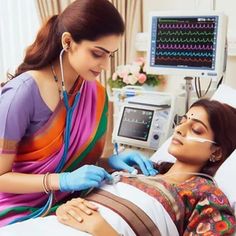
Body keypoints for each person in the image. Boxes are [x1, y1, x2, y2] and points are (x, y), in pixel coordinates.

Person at [0, 0, 157, 227]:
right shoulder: (20, 95)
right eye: (97, 53)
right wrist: (61, 181)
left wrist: (109, 162)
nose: (105, 65)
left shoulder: (96, 93)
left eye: (110, 55)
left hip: (70, 204)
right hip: (18, 212)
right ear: (68, 41)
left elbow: (75, 167)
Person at [56, 99, 236, 235]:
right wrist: (66, 206)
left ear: (217, 152)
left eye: (196, 129)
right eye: (182, 121)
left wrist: (104, 230)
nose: (179, 129)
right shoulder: (141, 169)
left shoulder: (206, 195)